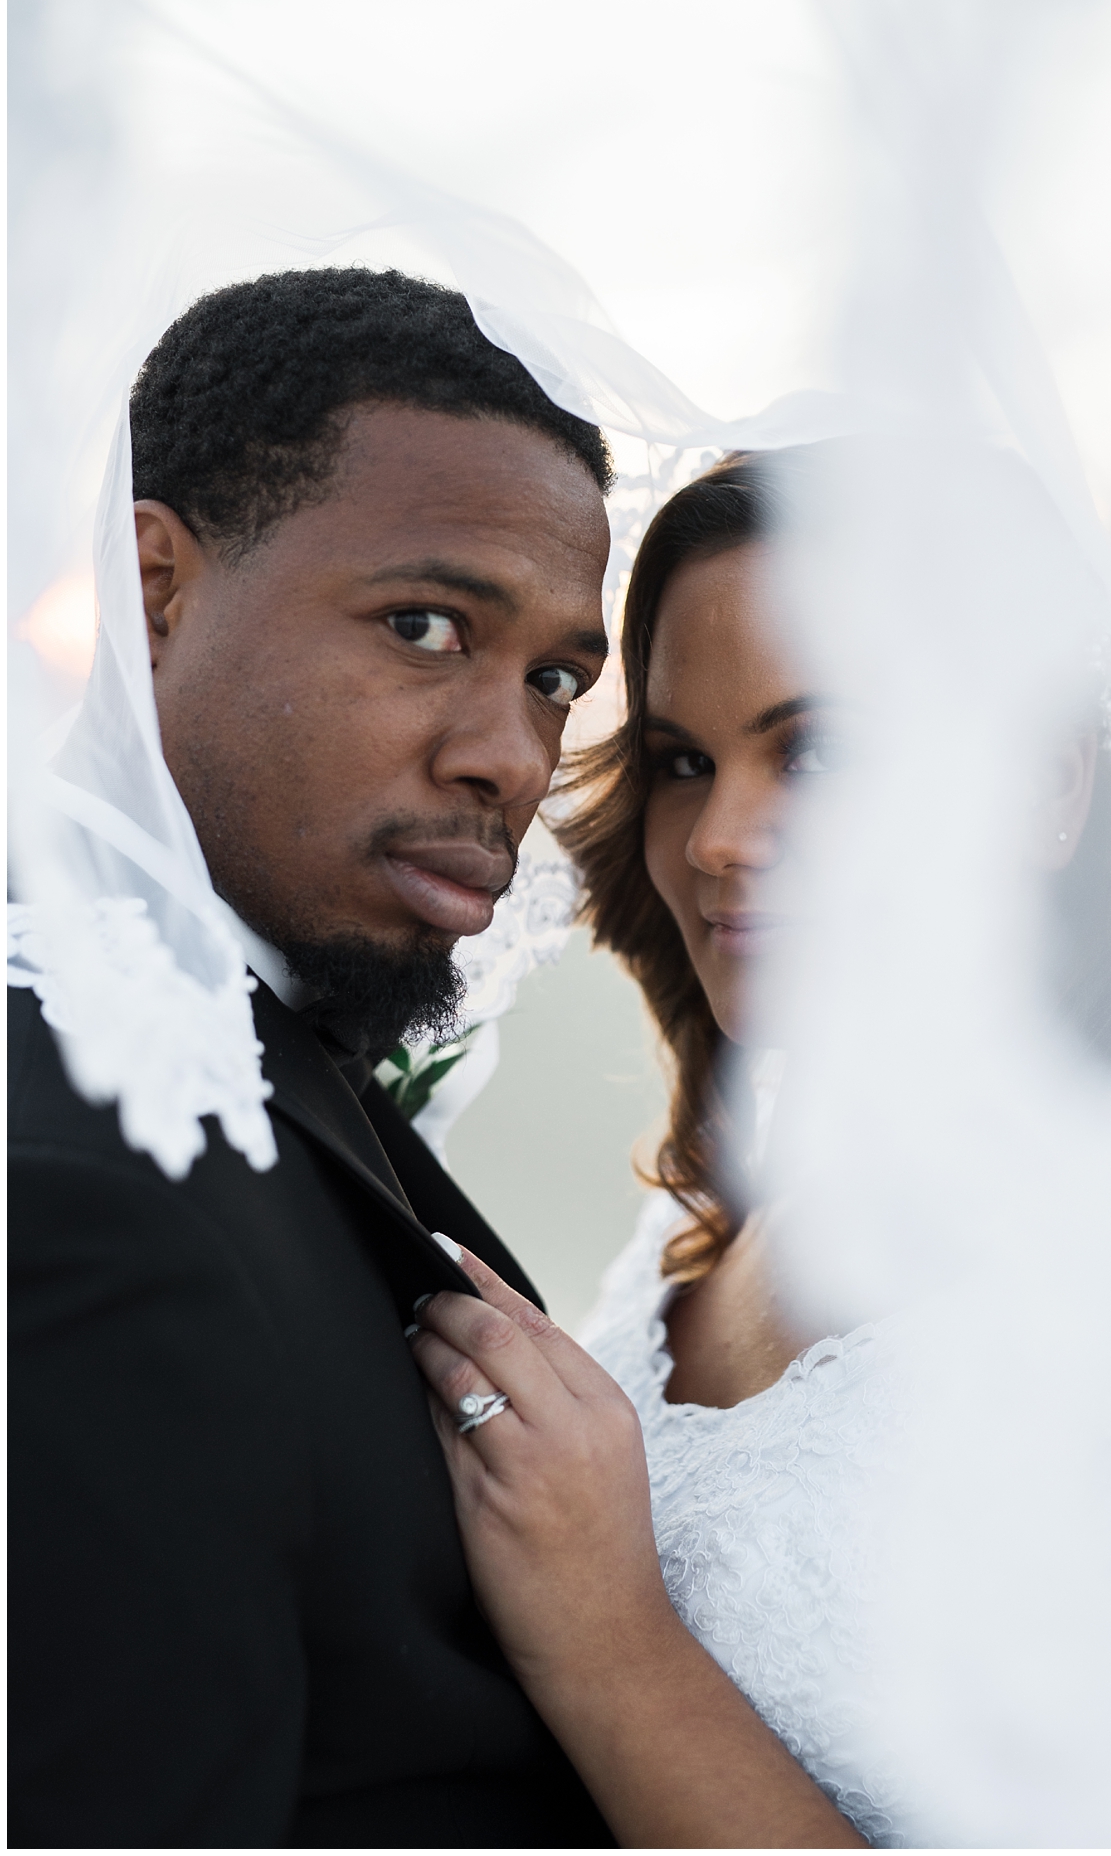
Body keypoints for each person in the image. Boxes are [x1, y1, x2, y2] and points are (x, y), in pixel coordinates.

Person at [8, 268, 864, 1848]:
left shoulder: (241, 1033)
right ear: (151, 590)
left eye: (552, 679)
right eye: (424, 627)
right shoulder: (65, 1193)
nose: (512, 759)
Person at [404, 444, 1111, 1845]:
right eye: (682, 760)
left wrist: (612, 1645)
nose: (722, 840)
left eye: (822, 750)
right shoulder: (745, 1191)